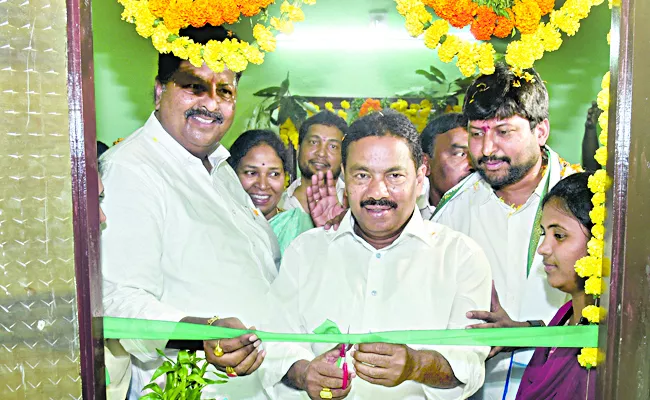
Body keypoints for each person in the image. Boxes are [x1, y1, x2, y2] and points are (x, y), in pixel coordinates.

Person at [258, 109, 492, 399]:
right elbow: (274, 344)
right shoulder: (306, 252)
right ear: (344, 177)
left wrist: (416, 366)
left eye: (394, 175)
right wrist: (306, 373)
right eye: (362, 175)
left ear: (420, 178)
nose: (377, 191)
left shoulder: (461, 257)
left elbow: (469, 364)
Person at [100, 25, 278, 400]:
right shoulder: (132, 169)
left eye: (225, 91)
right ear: (159, 90)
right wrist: (203, 334)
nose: (211, 104)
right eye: (195, 86)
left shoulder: (222, 169)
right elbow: (121, 301)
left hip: (255, 386)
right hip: (190, 387)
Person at [431, 63, 581, 399]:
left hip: (564, 383)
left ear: (540, 131)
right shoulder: (454, 208)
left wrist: (527, 333)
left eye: (503, 132)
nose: (486, 149)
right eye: (477, 133)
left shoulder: (586, 203)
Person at [516, 172, 597, 399]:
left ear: (601, 241)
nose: (543, 248)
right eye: (544, 233)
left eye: (559, 235)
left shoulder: (612, 337)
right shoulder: (565, 315)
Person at [228, 129, 314, 255]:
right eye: (251, 173)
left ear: (285, 178)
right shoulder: (220, 227)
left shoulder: (300, 228)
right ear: (231, 175)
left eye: (274, 174)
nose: (263, 185)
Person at [279, 111, 348, 212]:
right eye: (313, 142)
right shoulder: (278, 205)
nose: (321, 153)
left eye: (333, 146)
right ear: (298, 150)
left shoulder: (354, 205)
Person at [419, 113, 474, 219]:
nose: (472, 165)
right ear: (425, 163)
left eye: (476, 155)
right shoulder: (404, 220)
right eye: (459, 154)